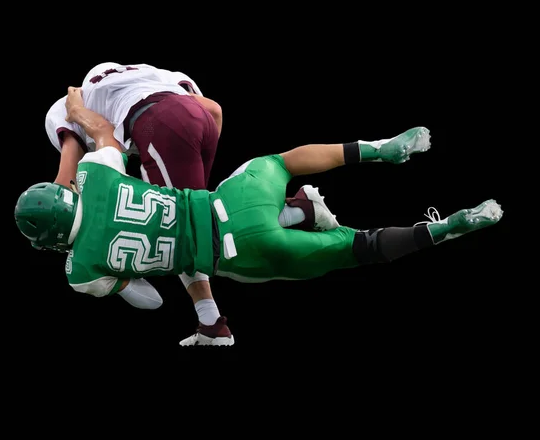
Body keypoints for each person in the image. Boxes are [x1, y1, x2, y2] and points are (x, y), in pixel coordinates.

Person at [15, 87, 503, 346]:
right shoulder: (96, 177)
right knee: (284, 163)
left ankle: (442, 229)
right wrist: (77, 107)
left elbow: (150, 303)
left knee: (361, 249)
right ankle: (378, 149)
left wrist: (119, 280)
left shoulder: (80, 273)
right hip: (232, 202)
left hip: (244, 255)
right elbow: (102, 133)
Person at [43, 63, 338, 345]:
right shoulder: (134, 78)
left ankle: (213, 323)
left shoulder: (71, 113)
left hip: (157, 124)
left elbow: (65, 184)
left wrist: (79, 243)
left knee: (187, 234)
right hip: (200, 117)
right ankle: (298, 211)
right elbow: (213, 109)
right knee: (202, 219)